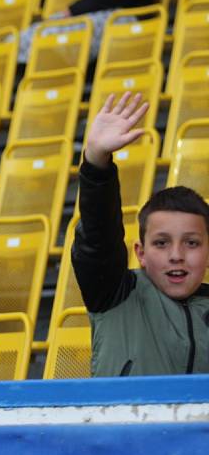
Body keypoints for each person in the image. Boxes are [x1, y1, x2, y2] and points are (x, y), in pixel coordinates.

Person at [73, 91, 209, 377]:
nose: (176, 255)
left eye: (192, 243)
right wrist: (97, 162)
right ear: (141, 253)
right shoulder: (115, 292)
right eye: (161, 243)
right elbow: (98, 239)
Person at [18, 0, 158, 62]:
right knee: (23, 38)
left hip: (128, 13)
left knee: (47, 38)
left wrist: (77, 9)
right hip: (90, 10)